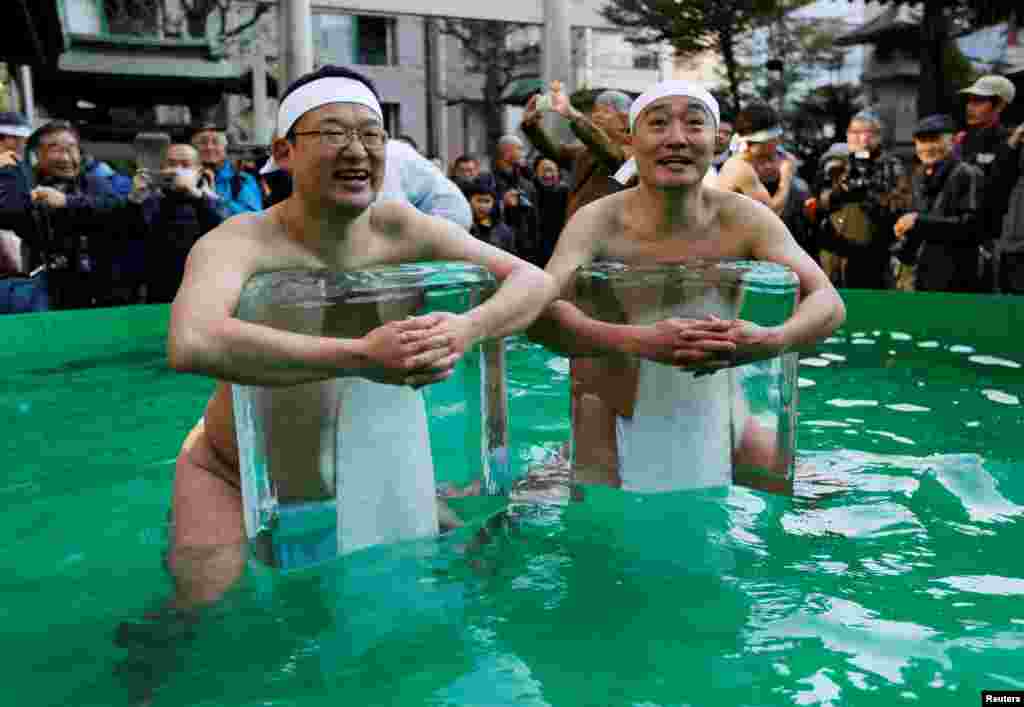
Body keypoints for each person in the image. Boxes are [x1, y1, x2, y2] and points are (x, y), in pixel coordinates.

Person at [164, 65, 555, 608]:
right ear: (284, 151)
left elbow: (534, 280)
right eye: (332, 133)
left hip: (367, 472)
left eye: (371, 134)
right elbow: (192, 342)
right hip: (232, 474)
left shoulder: (401, 227)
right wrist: (360, 356)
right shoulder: (242, 242)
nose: (356, 150)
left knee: (489, 571)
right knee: (202, 618)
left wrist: (467, 328)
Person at [528, 79, 845, 491]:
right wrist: (635, 341)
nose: (676, 139)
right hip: (608, 411)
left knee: (814, 503)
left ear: (716, 141)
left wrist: (771, 340)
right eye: (658, 124)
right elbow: (536, 310)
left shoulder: (744, 218)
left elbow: (829, 302)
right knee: (543, 516)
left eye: (694, 125)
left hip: (720, 406)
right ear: (631, 139)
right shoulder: (596, 221)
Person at [0, 120, 134, 310]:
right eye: (55, 149)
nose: (66, 158)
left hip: (100, 289)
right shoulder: (25, 183)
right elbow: (9, 212)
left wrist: (65, 202)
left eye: (72, 148)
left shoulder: (95, 183)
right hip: (44, 290)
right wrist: (9, 172)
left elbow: (118, 210)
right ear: (37, 155)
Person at [892, 114, 983, 293]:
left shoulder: (968, 173)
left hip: (956, 277)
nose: (926, 147)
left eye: (934, 139)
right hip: (921, 275)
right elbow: (920, 221)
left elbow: (973, 227)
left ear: (952, 141)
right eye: (921, 141)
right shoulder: (919, 175)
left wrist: (918, 221)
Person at [815, 109, 904, 289]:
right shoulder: (835, 162)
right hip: (835, 249)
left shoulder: (890, 165)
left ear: (878, 137)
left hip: (873, 251)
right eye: (855, 133)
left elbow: (900, 204)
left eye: (868, 133)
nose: (861, 139)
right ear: (847, 135)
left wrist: (872, 196)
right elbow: (818, 202)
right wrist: (840, 190)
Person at [130, 143, 227, 303]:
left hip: (200, 290)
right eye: (171, 164)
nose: (177, 170)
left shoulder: (209, 200)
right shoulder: (149, 199)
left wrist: (196, 194)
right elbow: (133, 235)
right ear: (161, 169)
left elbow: (223, 233)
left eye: (185, 165)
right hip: (158, 290)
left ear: (198, 172)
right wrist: (135, 199)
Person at [520, 83, 631, 219]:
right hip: (577, 229)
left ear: (625, 119)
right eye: (596, 110)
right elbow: (555, 152)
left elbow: (610, 153)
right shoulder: (585, 150)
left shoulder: (632, 151)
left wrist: (574, 116)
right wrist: (531, 125)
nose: (597, 115)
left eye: (606, 111)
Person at [715, 102, 796, 217]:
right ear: (763, 140)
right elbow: (771, 215)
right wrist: (785, 178)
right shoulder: (739, 168)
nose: (778, 142)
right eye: (775, 138)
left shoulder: (778, 157)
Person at [190, 123, 264, 215]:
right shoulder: (186, 176)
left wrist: (216, 199)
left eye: (215, 142)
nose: (209, 147)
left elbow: (252, 218)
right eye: (203, 142)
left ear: (226, 148)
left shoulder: (241, 180)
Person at [458, 175, 516, 252]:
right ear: (469, 201)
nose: (483, 206)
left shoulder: (504, 232)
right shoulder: (461, 226)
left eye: (487, 201)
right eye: (479, 200)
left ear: (494, 203)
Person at [531, 156, 569, 267]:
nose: (547, 175)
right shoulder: (529, 192)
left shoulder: (565, 192)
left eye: (551, 170)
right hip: (534, 253)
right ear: (535, 173)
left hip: (560, 250)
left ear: (558, 173)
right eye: (543, 171)